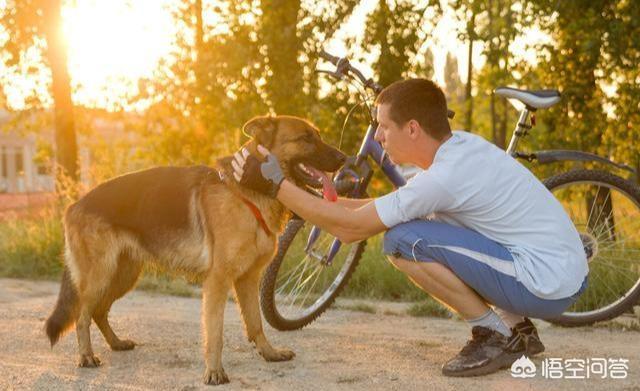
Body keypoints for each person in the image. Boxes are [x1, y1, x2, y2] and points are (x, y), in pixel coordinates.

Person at [231, 79, 588, 377]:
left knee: (403, 239)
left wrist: (276, 184)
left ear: (413, 128)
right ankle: (519, 330)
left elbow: (353, 229)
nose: (380, 137)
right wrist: (303, 205)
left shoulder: (443, 177)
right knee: (413, 226)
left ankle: (494, 335)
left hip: (546, 283)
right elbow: (367, 210)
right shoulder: (457, 150)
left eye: (384, 127)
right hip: (553, 271)